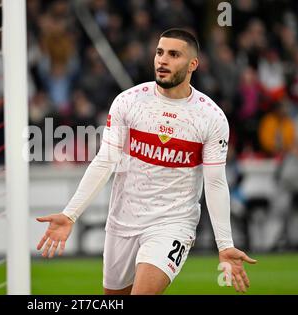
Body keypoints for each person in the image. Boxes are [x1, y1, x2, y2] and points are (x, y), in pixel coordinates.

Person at [36, 28, 257, 295]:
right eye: (160, 52)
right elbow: (105, 161)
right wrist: (70, 214)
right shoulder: (128, 102)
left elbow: (215, 182)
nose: (162, 60)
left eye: (174, 54)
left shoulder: (210, 117)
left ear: (192, 64)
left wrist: (224, 244)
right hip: (123, 221)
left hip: (172, 222)